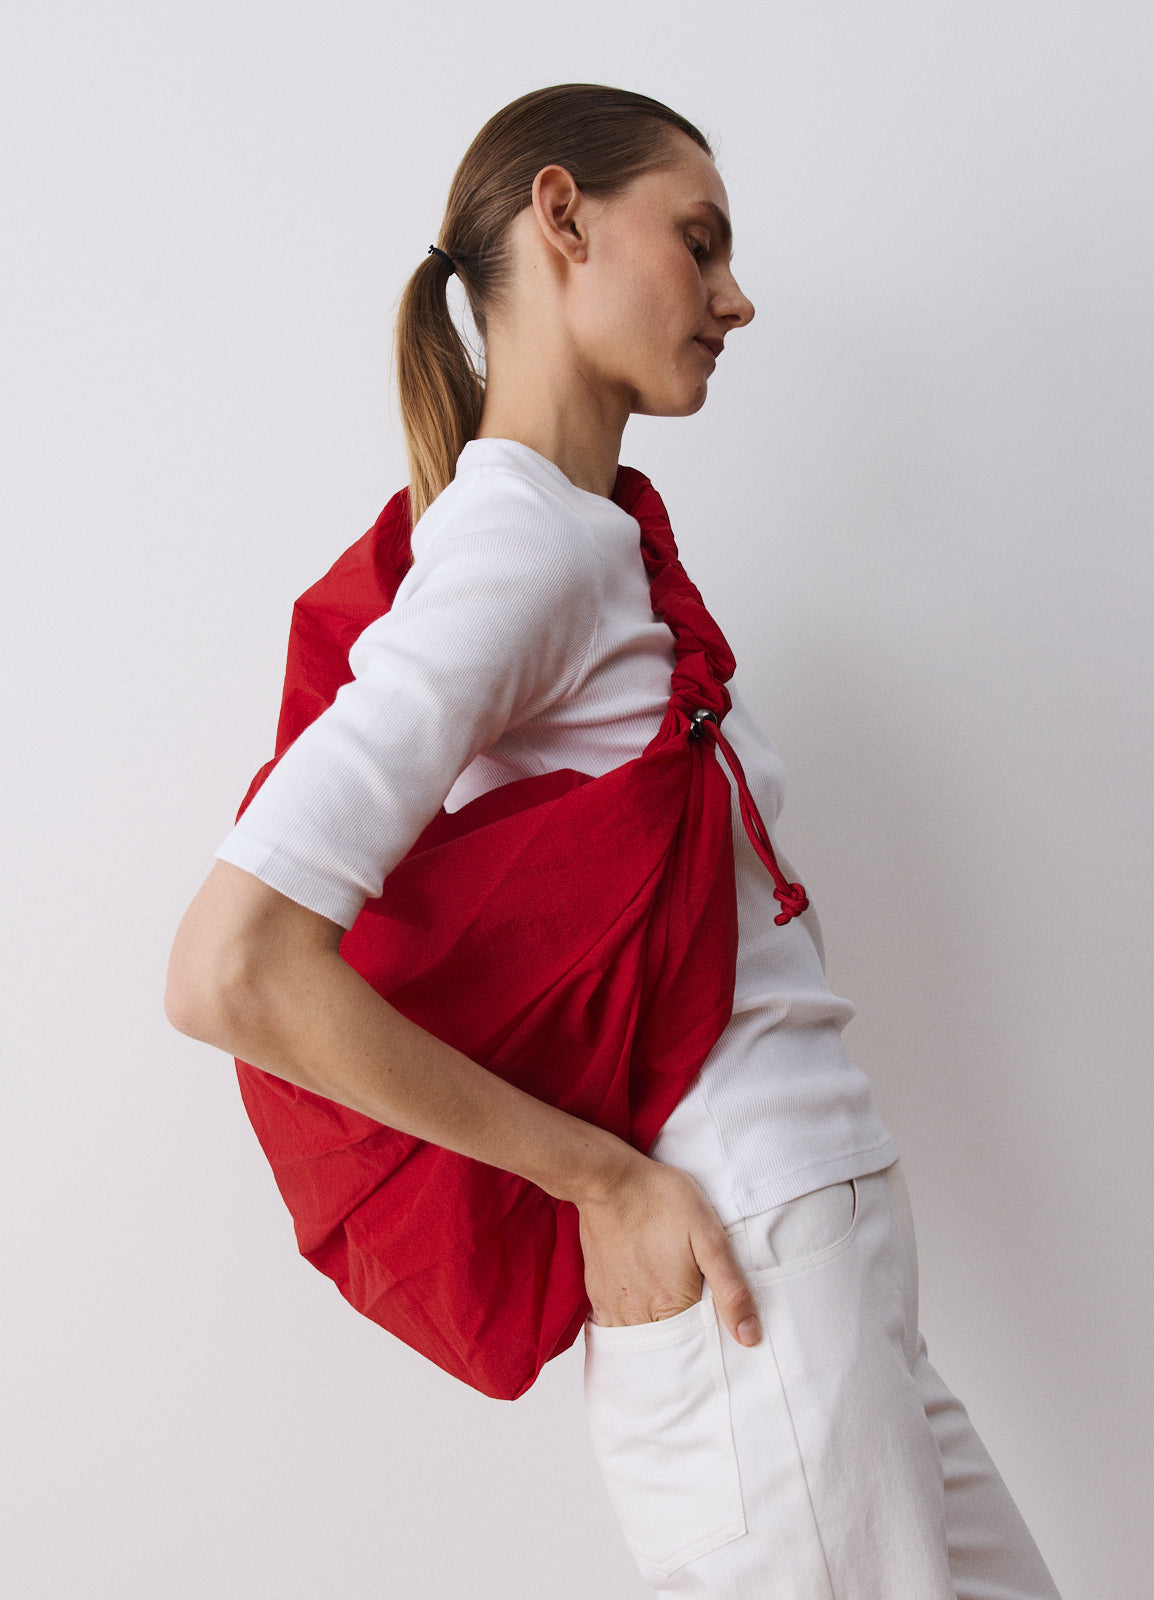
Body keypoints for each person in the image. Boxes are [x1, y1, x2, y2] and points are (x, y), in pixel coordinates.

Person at [165, 82, 1061, 1599]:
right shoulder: (520, 543)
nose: (736, 298)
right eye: (701, 243)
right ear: (563, 216)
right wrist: (603, 1180)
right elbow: (229, 967)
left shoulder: (584, 541)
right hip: (751, 1266)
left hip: (816, 1256)